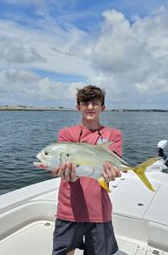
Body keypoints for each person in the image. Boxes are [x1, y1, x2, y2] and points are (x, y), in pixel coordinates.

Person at [52, 85, 123, 255]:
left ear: (102, 108)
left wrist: (112, 174)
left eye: (95, 103)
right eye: (85, 103)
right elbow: (60, 162)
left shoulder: (113, 135)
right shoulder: (66, 134)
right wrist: (62, 171)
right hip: (69, 209)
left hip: (99, 209)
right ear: (78, 107)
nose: (90, 107)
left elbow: (112, 166)